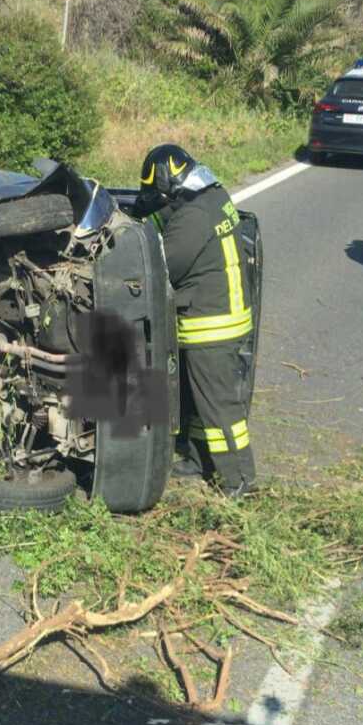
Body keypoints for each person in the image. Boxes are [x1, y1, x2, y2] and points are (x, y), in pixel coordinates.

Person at [132, 143, 256, 496]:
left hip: (211, 324)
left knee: (220, 409)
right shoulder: (212, 197)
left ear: (170, 184)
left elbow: (166, 266)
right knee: (198, 400)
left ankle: (240, 480)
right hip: (223, 314)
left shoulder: (192, 217)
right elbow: (169, 216)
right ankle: (200, 460)